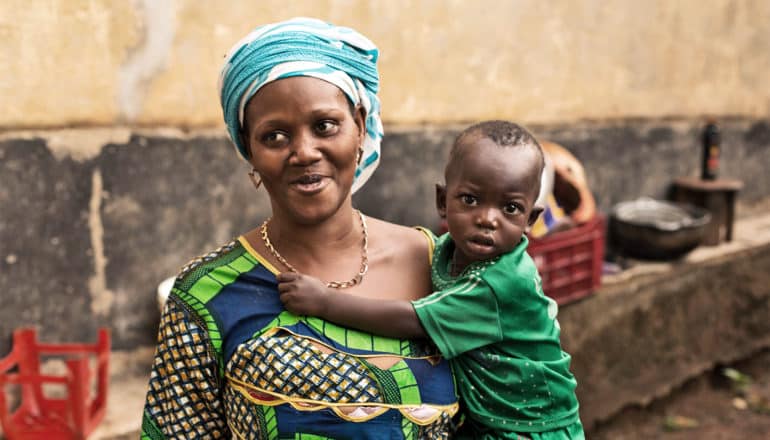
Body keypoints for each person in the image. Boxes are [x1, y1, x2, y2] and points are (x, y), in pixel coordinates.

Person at [141, 17, 459, 439]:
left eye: (324, 126)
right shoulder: (208, 294)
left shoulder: (441, 266)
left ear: (360, 126)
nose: (304, 152)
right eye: (275, 136)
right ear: (248, 150)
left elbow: (516, 405)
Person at [279, 120, 585, 439]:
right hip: (490, 420)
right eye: (470, 200)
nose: (487, 219)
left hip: (533, 427)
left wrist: (325, 301)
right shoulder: (445, 251)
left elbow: (413, 320)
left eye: (510, 208)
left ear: (529, 220)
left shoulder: (499, 281)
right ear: (442, 201)